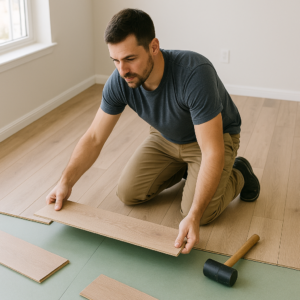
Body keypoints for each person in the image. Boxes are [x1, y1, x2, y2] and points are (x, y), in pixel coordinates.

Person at [46, 8, 260, 254]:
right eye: (115, 60)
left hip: (211, 140)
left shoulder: (194, 72)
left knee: (202, 213)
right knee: (128, 193)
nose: (122, 70)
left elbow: (212, 151)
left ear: (154, 46)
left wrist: (193, 215)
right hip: (164, 137)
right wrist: (65, 182)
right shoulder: (121, 80)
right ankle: (189, 172)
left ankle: (240, 173)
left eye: (129, 58)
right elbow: (94, 137)